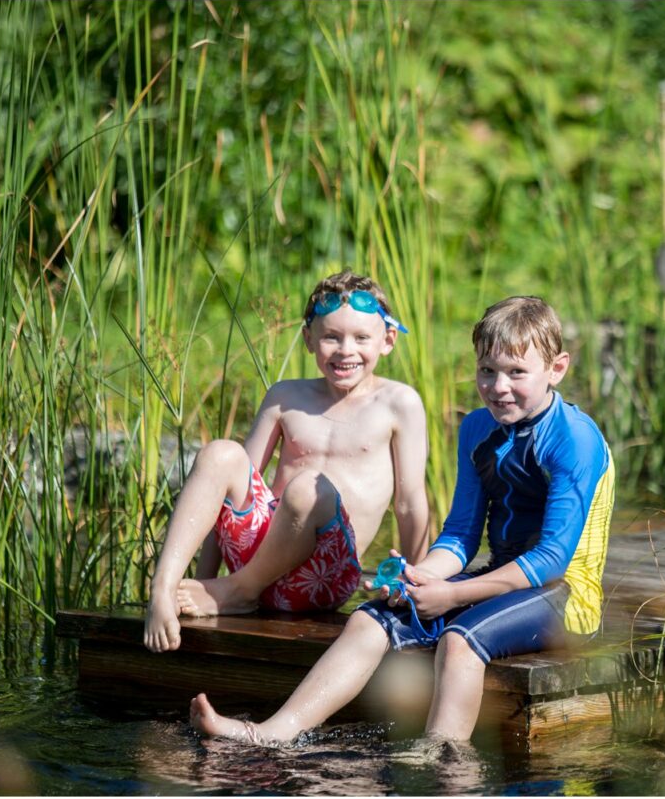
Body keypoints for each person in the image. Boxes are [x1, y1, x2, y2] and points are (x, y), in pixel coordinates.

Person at [189, 295, 616, 744]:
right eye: (487, 371)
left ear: (557, 368)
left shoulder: (574, 440)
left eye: (516, 373)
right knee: (367, 619)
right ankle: (273, 732)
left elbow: (550, 559)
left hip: (566, 595)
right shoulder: (477, 429)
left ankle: (442, 765)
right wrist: (420, 576)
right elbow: (461, 535)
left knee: (460, 640)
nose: (498, 386)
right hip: (501, 580)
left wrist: (452, 594)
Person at [143, 271, 430, 653]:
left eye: (361, 338)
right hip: (257, 558)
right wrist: (201, 584)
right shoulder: (286, 396)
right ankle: (162, 588)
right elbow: (224, 493)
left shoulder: (398, 403)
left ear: (387, 340)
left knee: (308, 487)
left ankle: (239, 590)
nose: (346, 350)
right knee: (219, 453)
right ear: (309, 339)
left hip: (321, 578)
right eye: (331, 336)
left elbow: (410, 502)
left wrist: (417, 584)